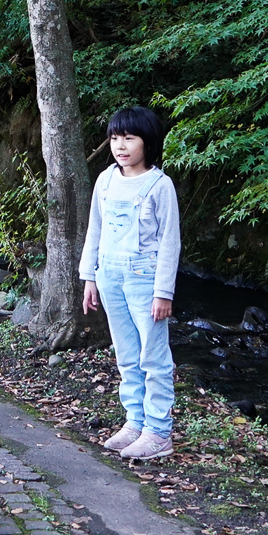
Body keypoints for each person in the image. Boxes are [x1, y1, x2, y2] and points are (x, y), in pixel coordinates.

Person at [79, 105, 181, 461]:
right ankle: (134, 422)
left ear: (147, 141)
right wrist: (88, 276)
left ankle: (158, 432)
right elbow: (95, 229)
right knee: (126, 356)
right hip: (109, 274)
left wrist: (163, 292)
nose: (120, 146)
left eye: (129, 138)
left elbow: (170, 240)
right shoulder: (105, 180)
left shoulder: (159, 185)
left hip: (145, 278)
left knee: (153, 357)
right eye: (115, 138)